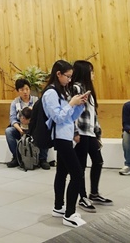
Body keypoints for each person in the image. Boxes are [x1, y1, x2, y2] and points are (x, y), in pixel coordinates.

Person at [43, 60, 88, 228]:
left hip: (66, 136)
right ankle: (69, 214)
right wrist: (71, 104)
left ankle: (58, 207)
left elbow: (69, 117)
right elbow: (58, 118)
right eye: (67, 76)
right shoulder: (50, 93)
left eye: (70, 77)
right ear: (58, 74)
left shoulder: (62, 91)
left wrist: (79, 105)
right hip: (60, 137)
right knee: (77, 174)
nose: (69, 80)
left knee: (62, 172)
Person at [71, 60, 112, 212]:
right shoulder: (76, 88)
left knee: (98, 161)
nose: (93, 74)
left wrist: (98, 134)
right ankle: (82, 197)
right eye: (91, 71)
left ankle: (94, 193)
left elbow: (93, 114)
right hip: (81, 133)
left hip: (90, 133)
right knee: (80, 166)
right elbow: (71, 112)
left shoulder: (89, 90)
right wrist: (75, 132)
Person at [5, 78, 49, 170]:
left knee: (45, 129)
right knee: (9, 131)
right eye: (22, 90)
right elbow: (13, 119)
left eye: (27, 89)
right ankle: (16, 157)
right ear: (18, 91)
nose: (25, 92)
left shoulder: (36, 101)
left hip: (35, 128)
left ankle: (43, 159)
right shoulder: (15, 103)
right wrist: (20, 130)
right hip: (20, 128)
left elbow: (41, 117)